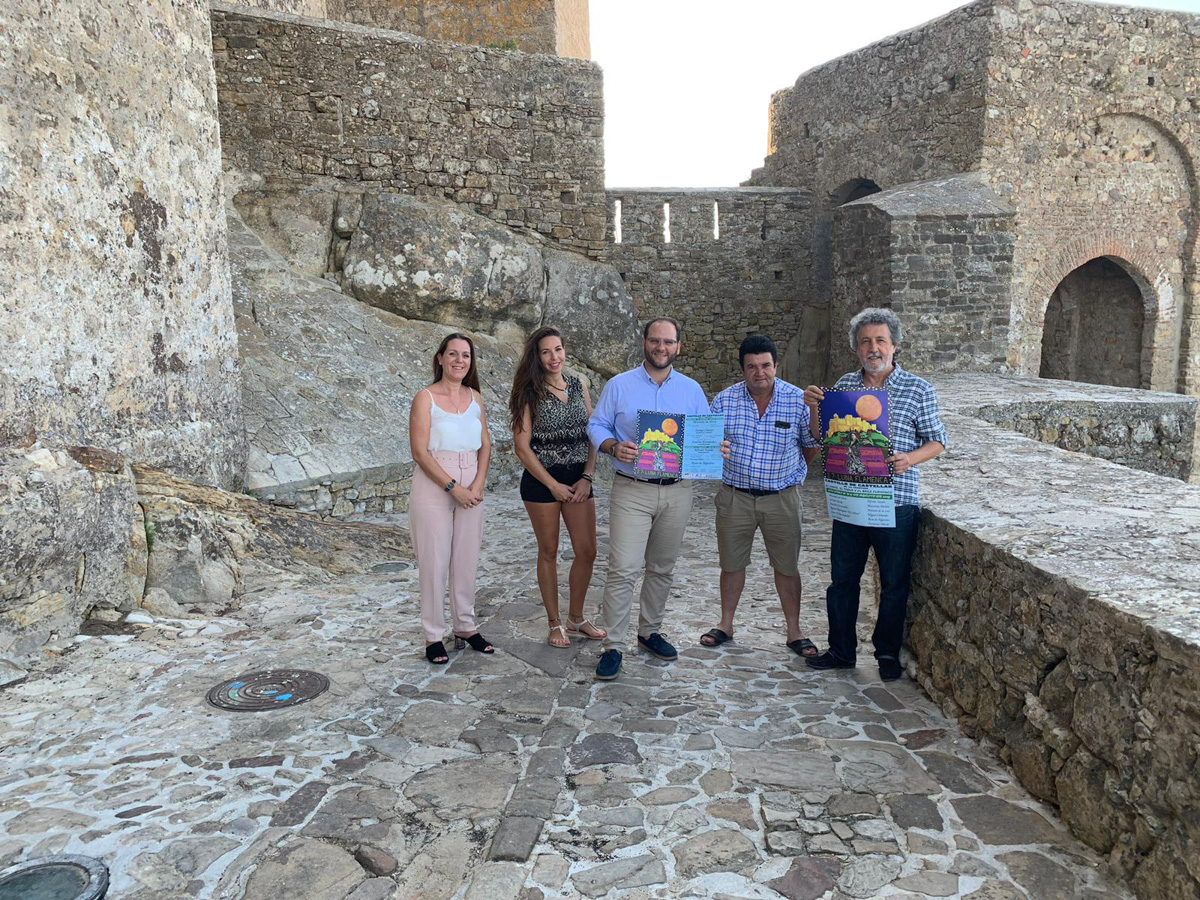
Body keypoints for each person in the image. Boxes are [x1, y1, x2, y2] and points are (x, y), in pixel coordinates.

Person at [803, 308, 947, 681]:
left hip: (897, 501)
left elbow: (938, 441)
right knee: (842, 580)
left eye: (881, 340)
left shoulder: (918, 389)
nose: (874, 347)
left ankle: (886, 653)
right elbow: (822, 437)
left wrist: (909, 459)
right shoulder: (844, 386)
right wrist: (815, 407)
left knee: (894, 583)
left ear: (895, 345)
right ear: (856, 348)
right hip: (851, 498)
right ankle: (841, 650)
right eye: (866, 341)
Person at [587, 317, 726, 681]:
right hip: (632, 488)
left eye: (668, 342)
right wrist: (613, 445)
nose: (661, 348)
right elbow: (596, 424)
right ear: (644, 343)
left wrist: (715, 448)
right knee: (623, 568)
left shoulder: (692, 390)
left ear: (679, 346)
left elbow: (703, 434)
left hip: (677, 491)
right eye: (654, 341)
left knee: (662, 567)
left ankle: (649, 632)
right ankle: (613, 645)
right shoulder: (619, 385)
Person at [701, 334, 823, 658]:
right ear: (742, 370)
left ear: (776, 366)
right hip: (735, 497)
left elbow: (812, 445)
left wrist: (788, 475)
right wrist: (715, 452)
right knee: (731, 564)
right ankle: (725, 625)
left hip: (781, 498)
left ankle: (794, 631)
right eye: (752, 367)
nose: (760, 373)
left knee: (787, 567)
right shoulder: (723, 401)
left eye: (766, 365)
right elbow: (708, 447)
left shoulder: (797, 400)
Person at [510, 326, 607, 648]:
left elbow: (593, 431)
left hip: (579, 479)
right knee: (549, 551)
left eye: (559, 349)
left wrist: (588, 476)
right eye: (546, 351)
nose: (554, 357)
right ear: (537, 357)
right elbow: (522, 446)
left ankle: (576, 618)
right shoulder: (528, 392)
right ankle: (554, 623)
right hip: (542, 482)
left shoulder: (580, 386)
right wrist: (552, 484)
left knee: (587, 551)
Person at [408, 333, 495, 664]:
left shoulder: (475, 398)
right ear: (441, 358)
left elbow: (485, 443)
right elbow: (419, 451)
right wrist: (452, 487)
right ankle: (433, 635)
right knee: (434, 560)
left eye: (466, 356)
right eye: (454, 354)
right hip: (435, 482)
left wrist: (478, 482)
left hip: (471, 480)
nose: (460, 360)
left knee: (466, 558)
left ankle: (465, 626)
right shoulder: (425, 398)